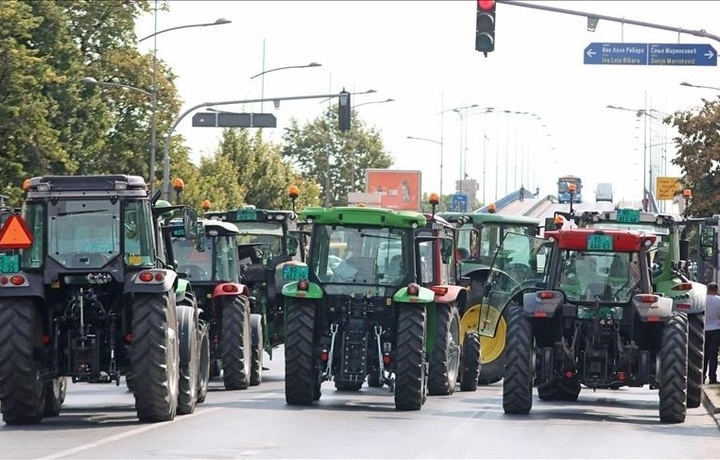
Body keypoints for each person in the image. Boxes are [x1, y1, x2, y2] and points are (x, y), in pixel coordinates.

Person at [704, 282, 720, 384]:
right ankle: (712, 378)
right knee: (713, 355)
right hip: (716, 330)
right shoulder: (719, 301)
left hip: (703, 330)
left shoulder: (702, 300)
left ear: (708, 289)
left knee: (704, 355)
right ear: (717, 290)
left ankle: (701, 376)